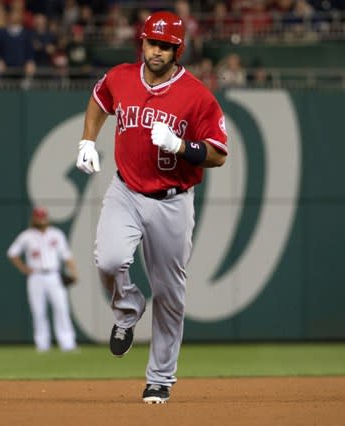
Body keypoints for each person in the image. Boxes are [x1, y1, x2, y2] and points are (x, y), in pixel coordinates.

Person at [74, 10, 228, 404]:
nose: (156, 51)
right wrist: (87, 140)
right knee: (108, 261)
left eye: (165, 45)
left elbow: (218, 153)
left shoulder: (196, 95)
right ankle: (127, 310)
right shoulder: (121, 77)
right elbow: (98, 101)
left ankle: (160, 378)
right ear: (141, 42)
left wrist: (182, 146)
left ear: (178, 49)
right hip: (125, 190)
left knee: (170, 293)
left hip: (172, 201)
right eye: (151, 43)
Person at [7, 206, 79, 353]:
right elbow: (12, 253)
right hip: (36, 276)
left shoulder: (56, 234)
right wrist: (24, 269)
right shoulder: (26, 235)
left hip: (54, 274)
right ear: (34, 218)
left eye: (43, 217)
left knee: (61, 308)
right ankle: (42, 345)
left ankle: (68, 344)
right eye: (38, 217)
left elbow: (66, 255)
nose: (41, 219)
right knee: (38, 310)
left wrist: (74, 272)